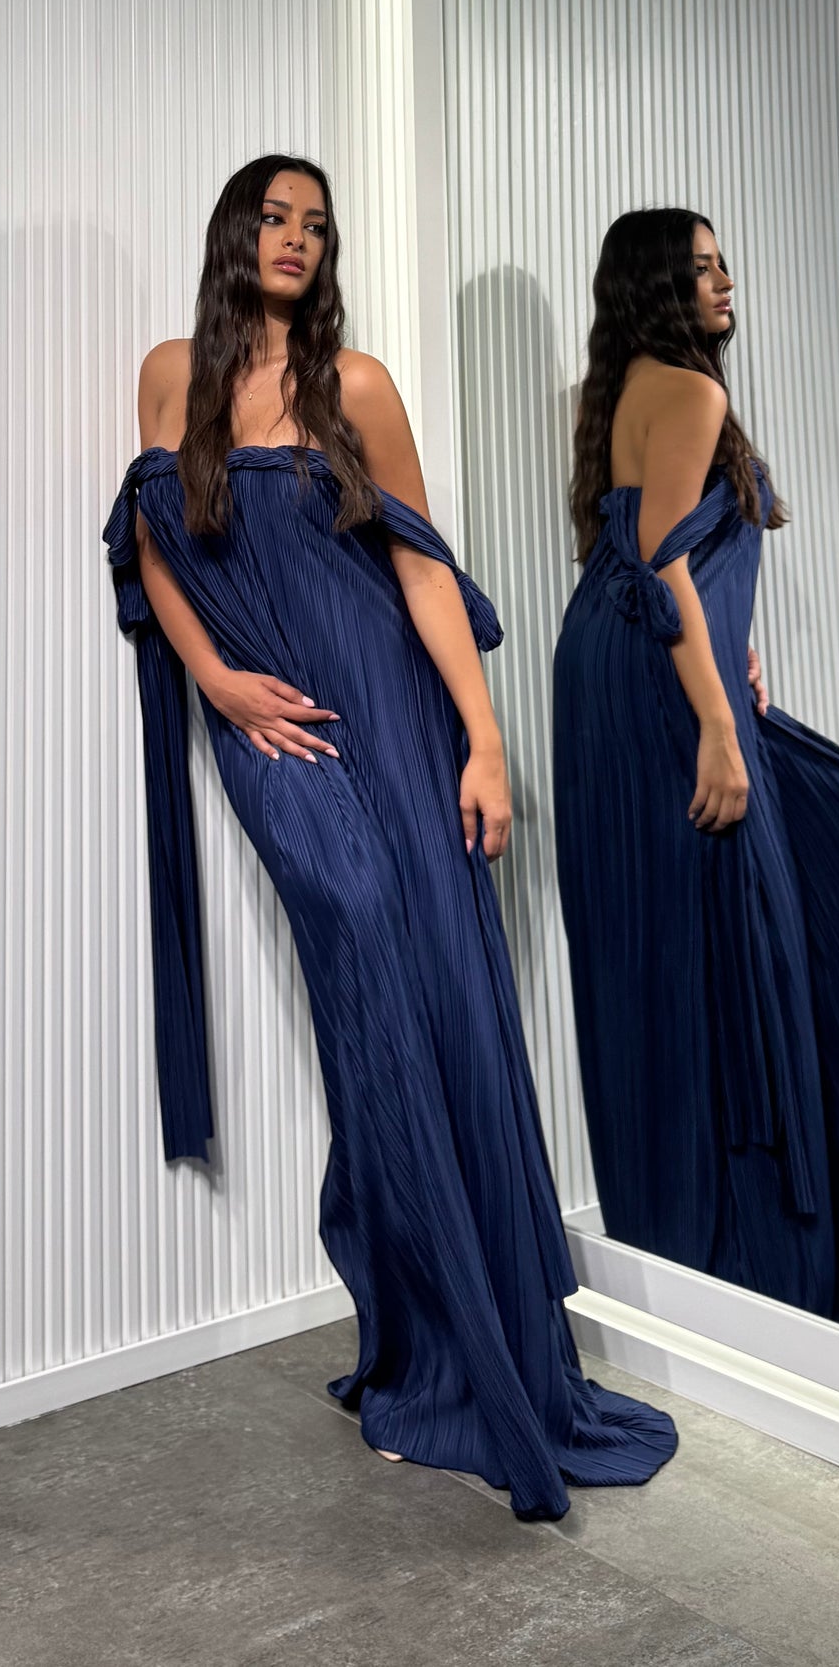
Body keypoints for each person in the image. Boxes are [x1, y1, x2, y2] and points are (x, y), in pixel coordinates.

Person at [105, 154, 676, 1516]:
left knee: (445, 1005)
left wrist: (482, 738)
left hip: (400, 719)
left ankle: (469, 1350)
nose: (295, 237)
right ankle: (424, 1336)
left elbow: (420, 565)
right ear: (234, 234)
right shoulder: (171, 372)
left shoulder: (353, 387)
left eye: (315, 224)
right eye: (273, 217)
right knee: (359, 939)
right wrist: (218, 683)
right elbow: (153, 550)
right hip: (276, 729)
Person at [553, 206, 839, 1351]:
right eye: (701, 268)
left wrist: (730, 655)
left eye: (722, 263)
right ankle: (760, 1272)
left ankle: (705, 1259)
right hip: (655, 689)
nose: (724, 281)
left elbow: (643, 550)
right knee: (746, 929)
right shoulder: (690, 392)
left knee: (814, 854)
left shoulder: (620, 389)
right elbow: (660, 563)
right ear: (657, 285)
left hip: (618, 673)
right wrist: (714, 726)